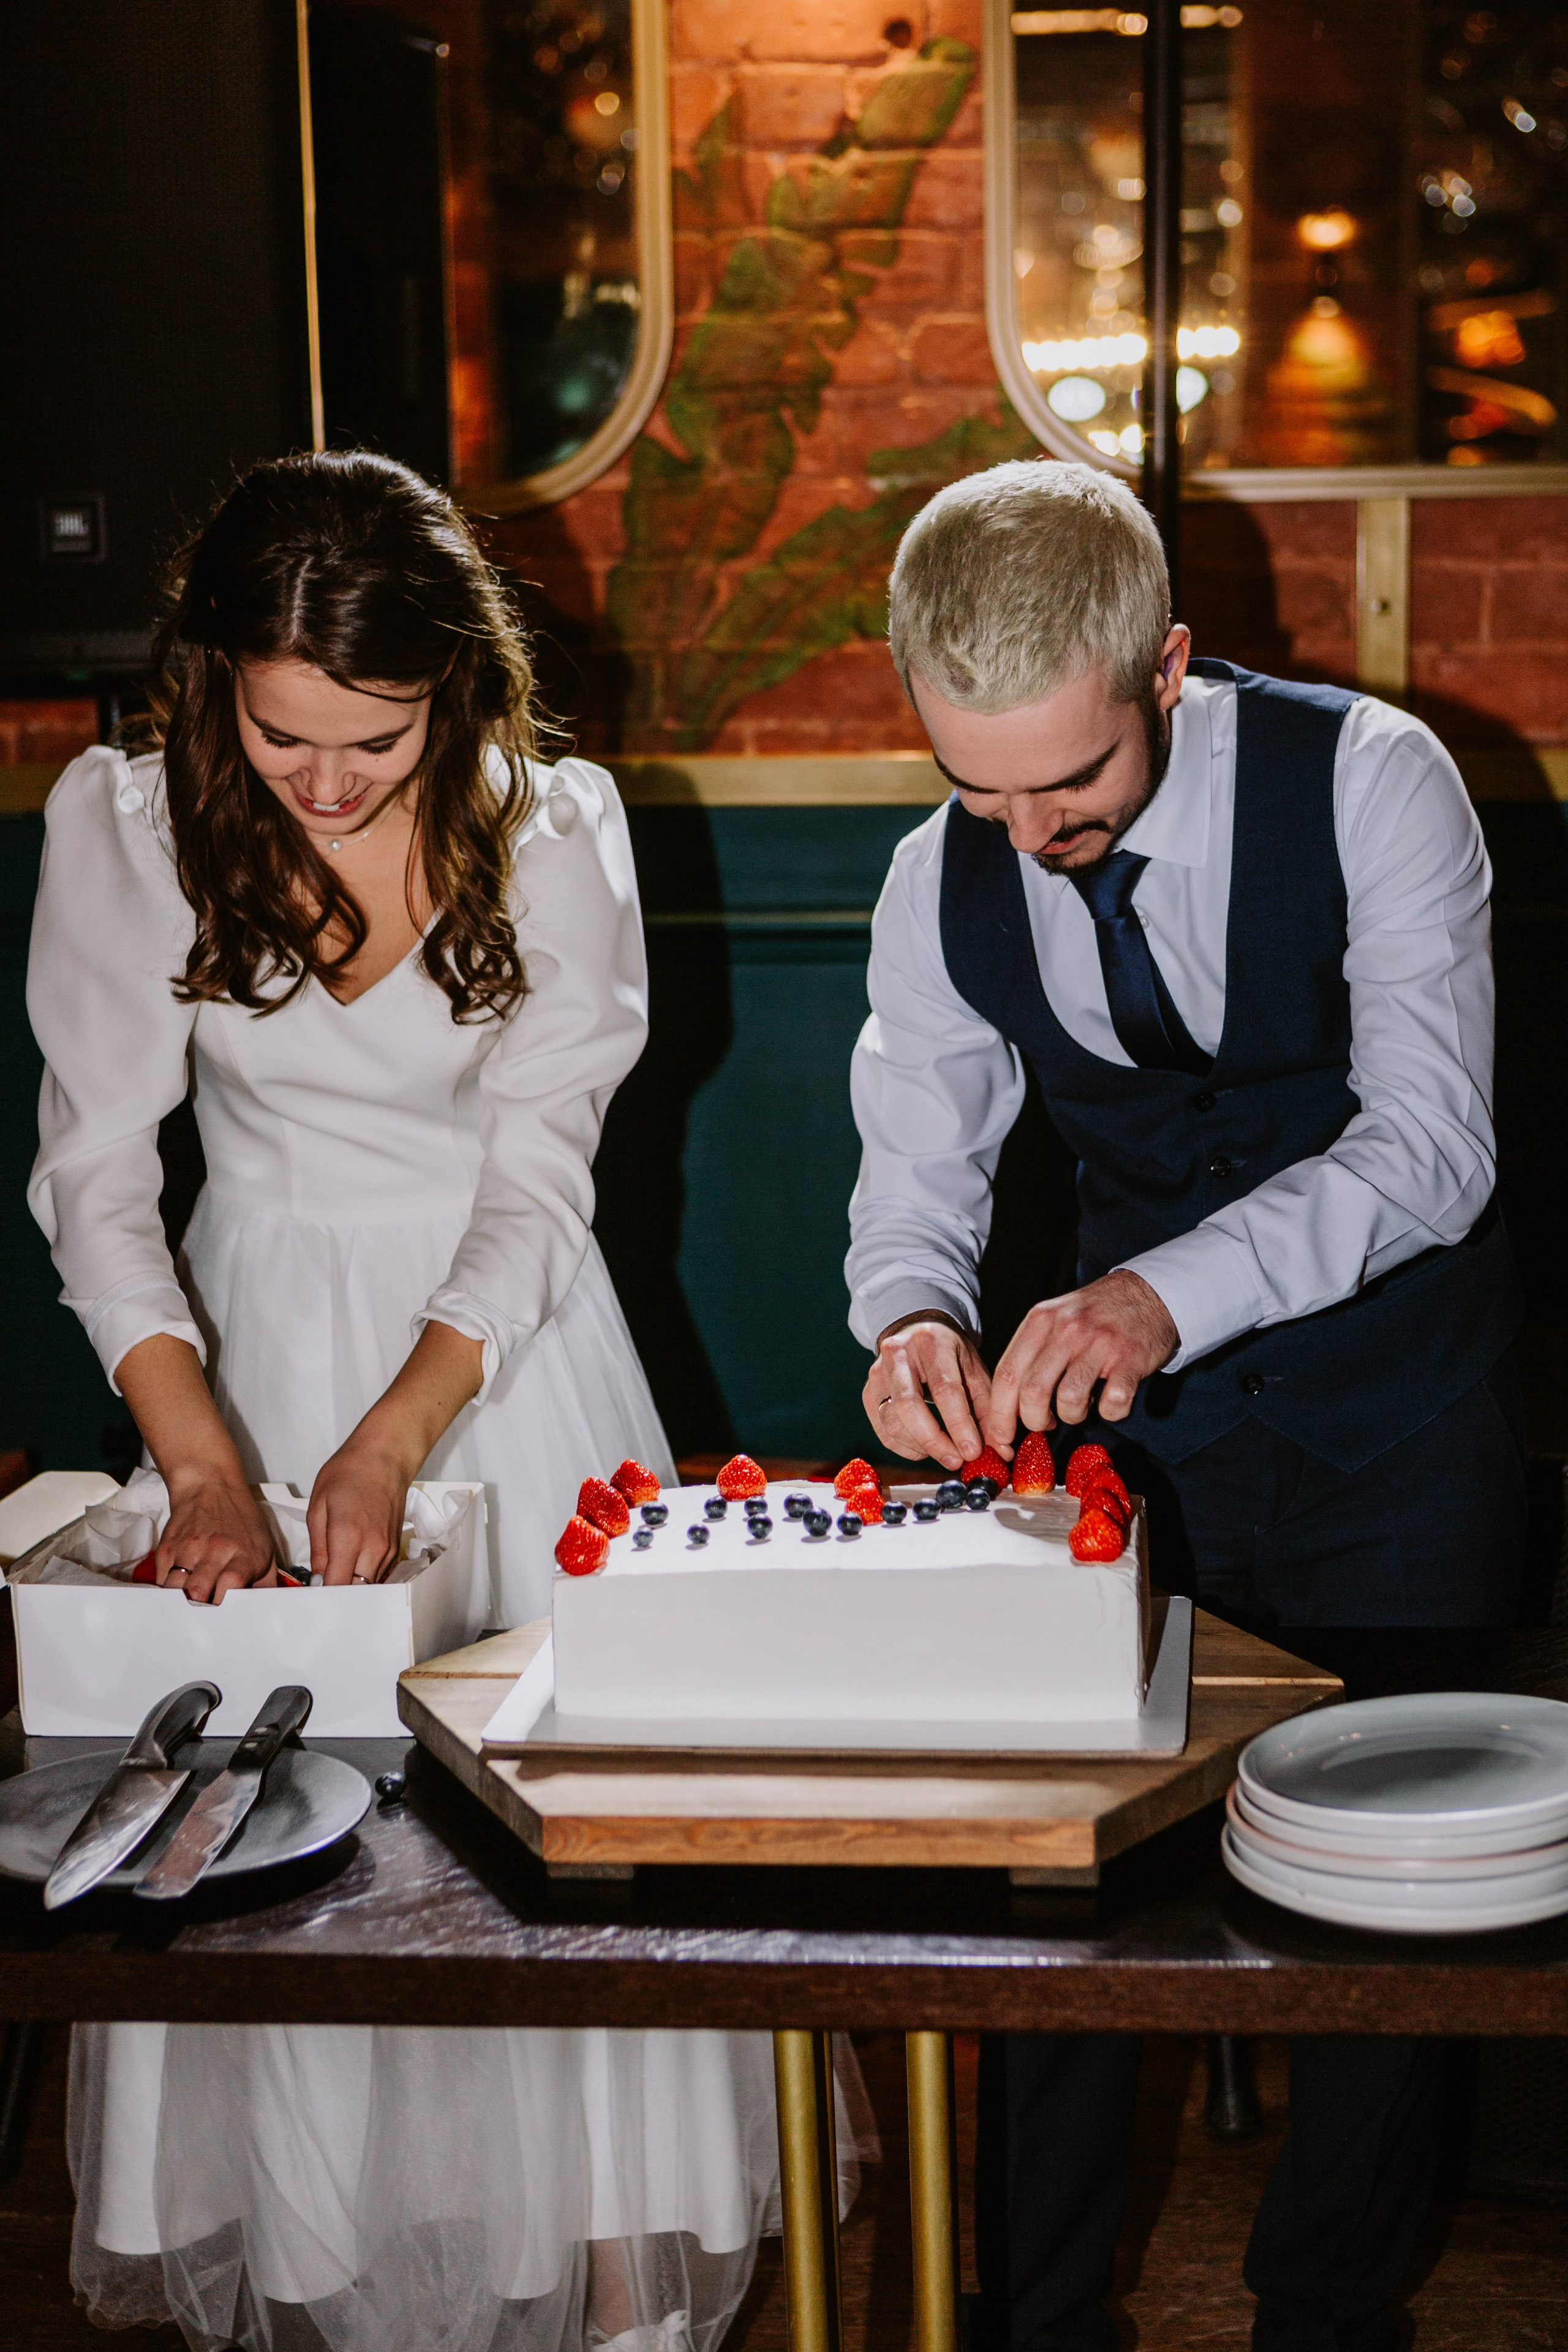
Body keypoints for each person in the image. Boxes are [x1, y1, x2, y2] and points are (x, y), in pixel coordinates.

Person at [26, 451, 820, 2352]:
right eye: (281, 730)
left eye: (370, 739)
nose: (321, 781)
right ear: (214, 679)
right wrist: (201, 1458)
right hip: (241, 1347)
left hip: (509, 1359)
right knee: (281, 1874)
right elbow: (97, 1177)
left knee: (548, 1867)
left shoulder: (559, 833)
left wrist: (396, 1436)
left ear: (451, 690)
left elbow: (543, 1185)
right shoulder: (125, 826)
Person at [846, 462, 1524, 2352]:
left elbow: (1434, 1146)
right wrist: (903, 1314)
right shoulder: (942, 873)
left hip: (1406, 1421)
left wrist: (1161, 1290)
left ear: (1169, 663)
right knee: (1070, 1880)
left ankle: (1330, 2316)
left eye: (1072, 785)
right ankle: (1038, 2315)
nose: (1030, 830)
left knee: (1394, 1914)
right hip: (1133, 1455)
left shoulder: (1377, 779)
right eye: (981, 789)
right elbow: (917, 1165)